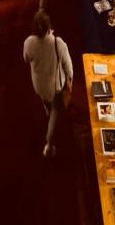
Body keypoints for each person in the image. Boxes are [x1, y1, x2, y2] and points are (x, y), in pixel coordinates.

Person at [23, 10, 73, 157]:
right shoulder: (58, 43)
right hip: (55, 88)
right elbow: (69, 69)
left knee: (46, 101)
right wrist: (70, 82)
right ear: (48, 27)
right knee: (55, 113)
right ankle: (49, 145)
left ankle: (47, 108)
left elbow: (26, 58)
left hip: (39, 86)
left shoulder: (28, 42)